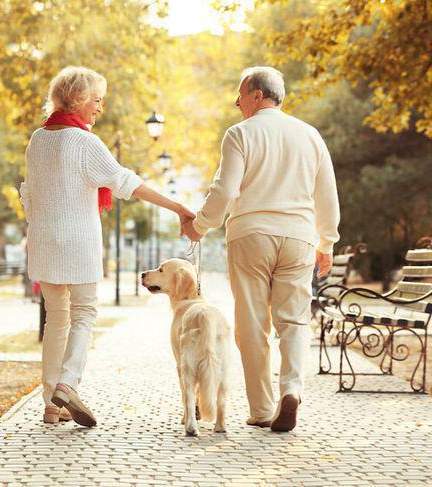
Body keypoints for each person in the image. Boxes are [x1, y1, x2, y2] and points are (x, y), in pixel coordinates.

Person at [20, 66, 194, 427]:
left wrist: (38, 229)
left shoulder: (38, 139)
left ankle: (51, 403)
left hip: (43, 240)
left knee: (56, 318)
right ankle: (67, 385)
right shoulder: (83, 142)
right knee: (84, 314)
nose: (100, 108)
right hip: (78, 240)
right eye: (97, 101)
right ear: (80, 99)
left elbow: (28, 194)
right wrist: (177, 206)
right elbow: (126, 182)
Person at [182, 66, 340, 432]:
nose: (236, 102)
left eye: (240, 94)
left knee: (252, 323)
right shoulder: (310, 135)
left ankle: (263, 408)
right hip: (299, 236)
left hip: (251, 234)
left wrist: (200, 226)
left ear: (256, 94)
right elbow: (327, 193)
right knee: (294, 319)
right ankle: (292, 390)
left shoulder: (240, 134)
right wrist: (327, 241)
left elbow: (225, 191)